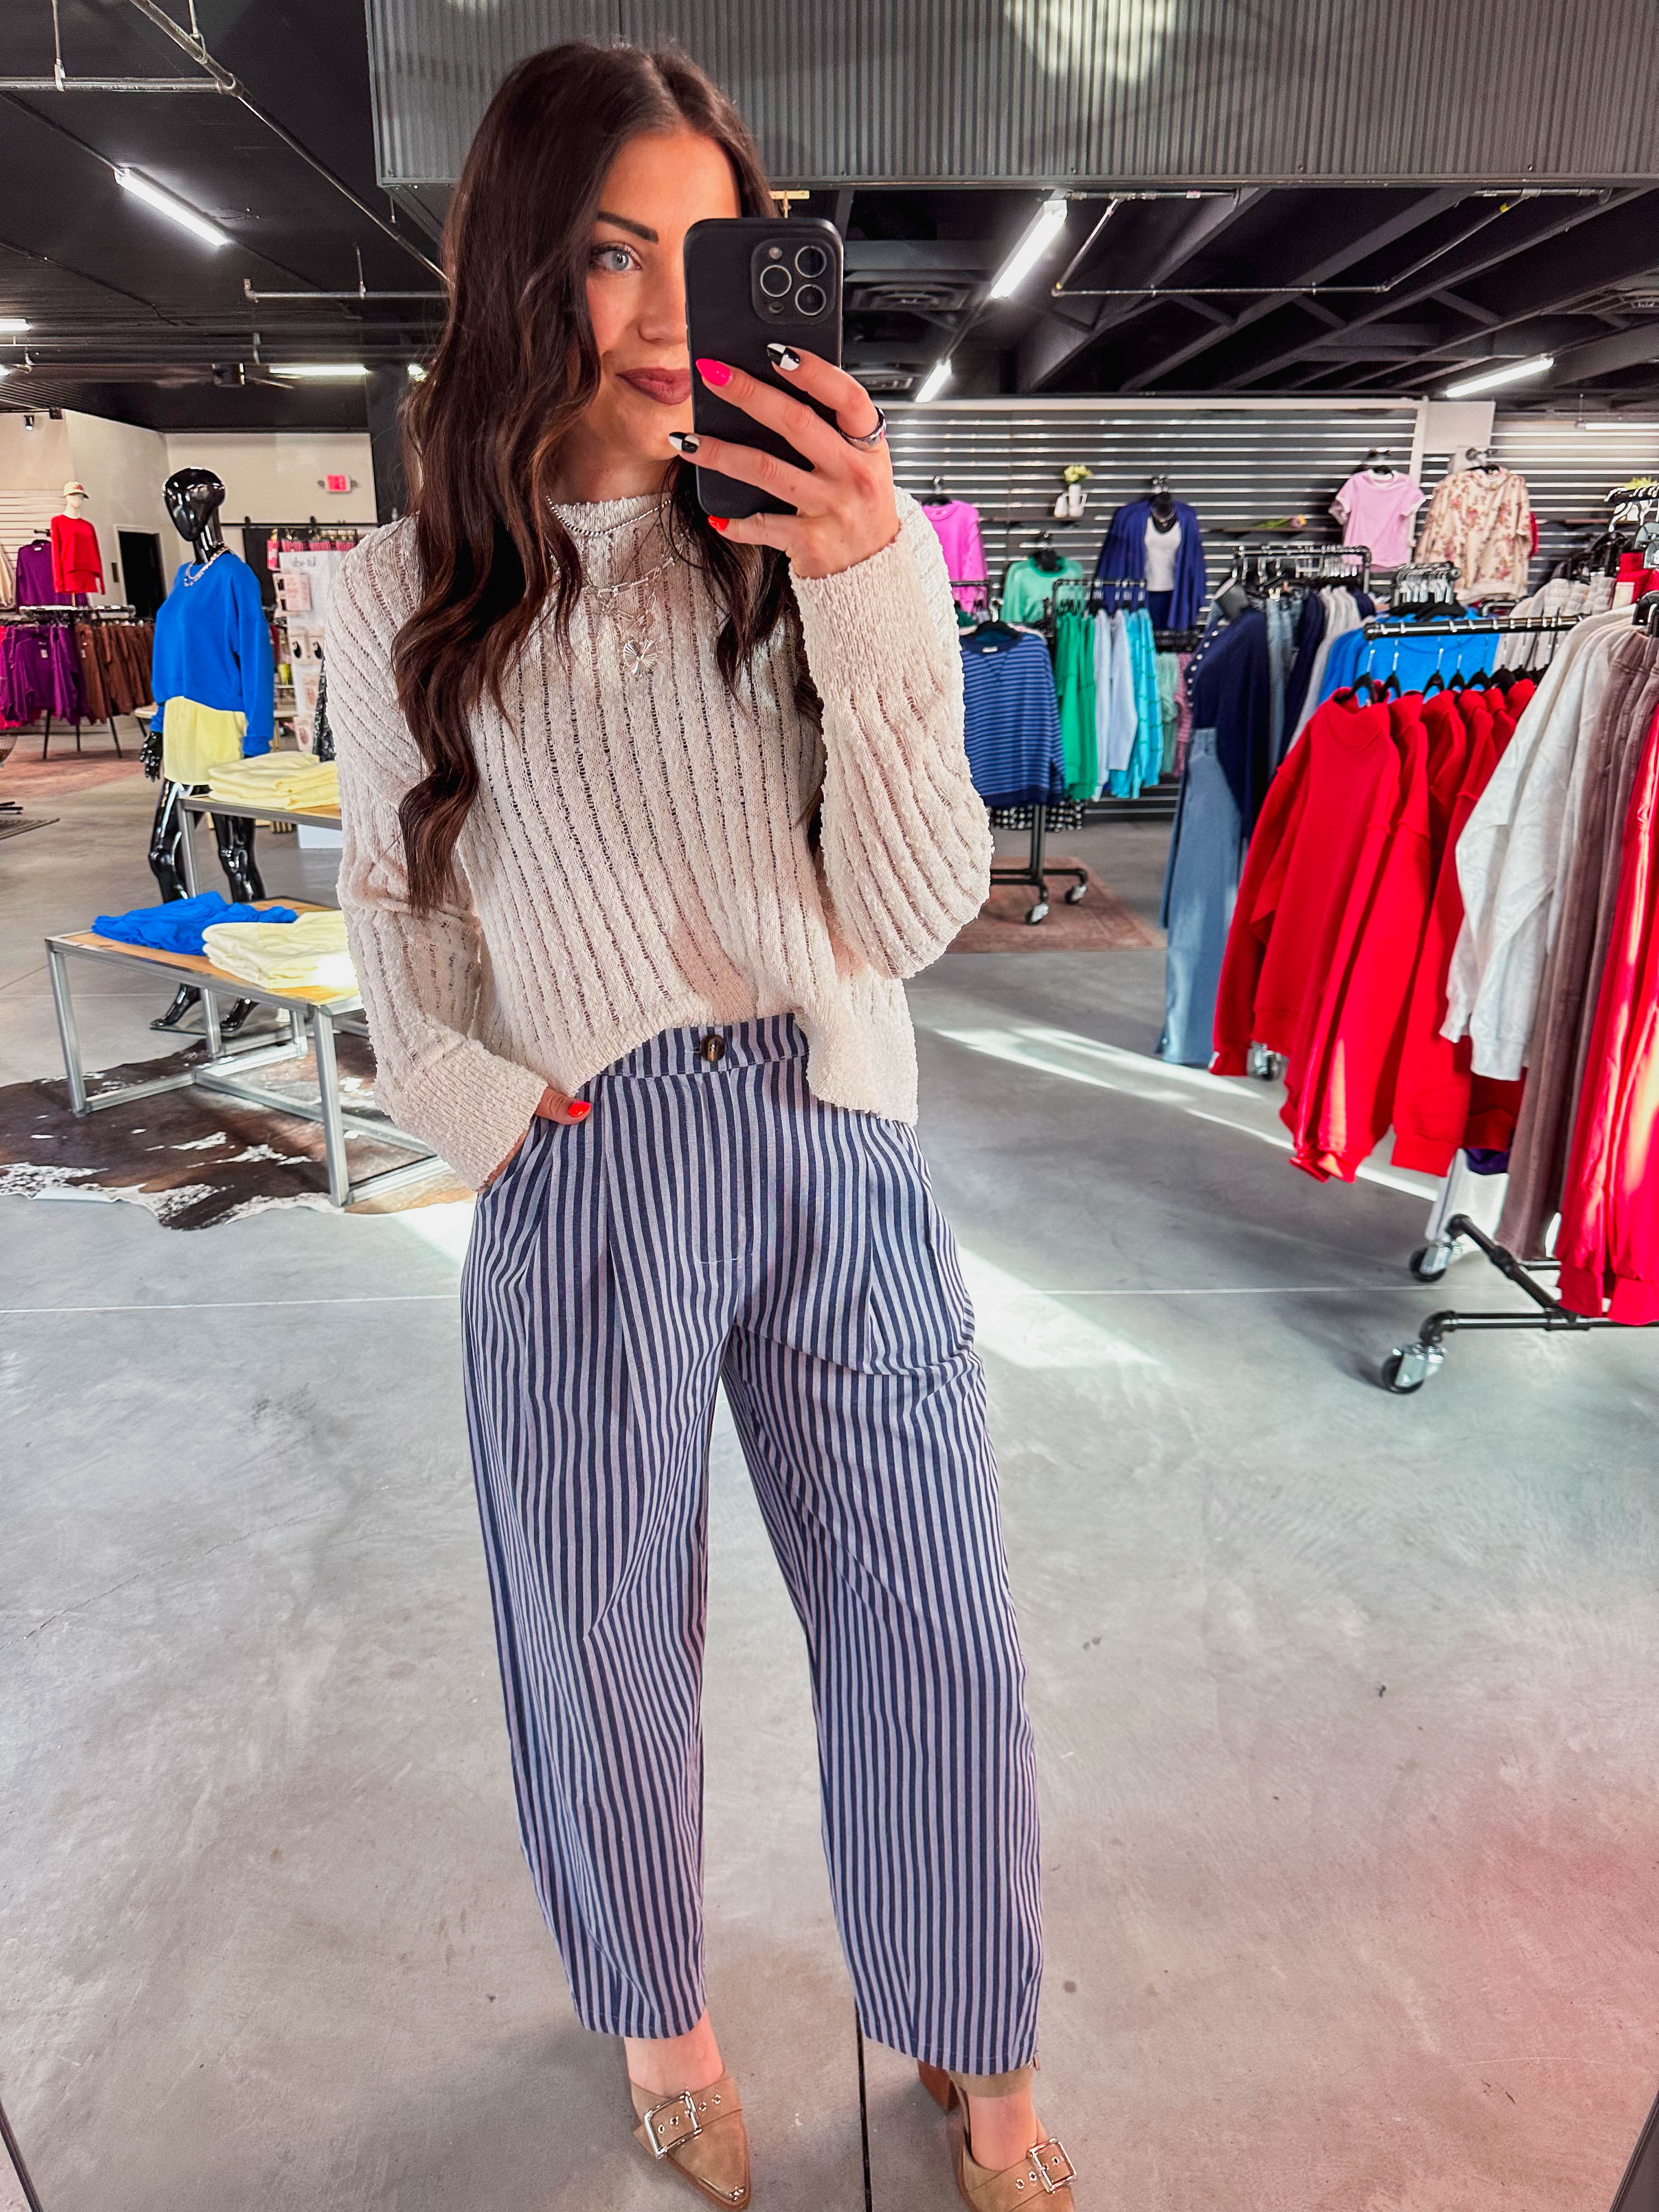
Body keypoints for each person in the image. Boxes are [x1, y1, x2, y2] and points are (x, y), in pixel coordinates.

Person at [326, 41, 1073, 2210]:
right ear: (516, 268)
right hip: (589, 1159)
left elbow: (911, 915)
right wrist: (486, 1111)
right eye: (610, 254)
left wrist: (870, 573)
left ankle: (977, 2025)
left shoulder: (807, 544)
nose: (668, 313)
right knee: (600, 1636)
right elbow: (390, 907)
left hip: (838, 1125)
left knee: (935, 1621)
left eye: (710, 252)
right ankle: (661, 2023)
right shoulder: (393, 591)